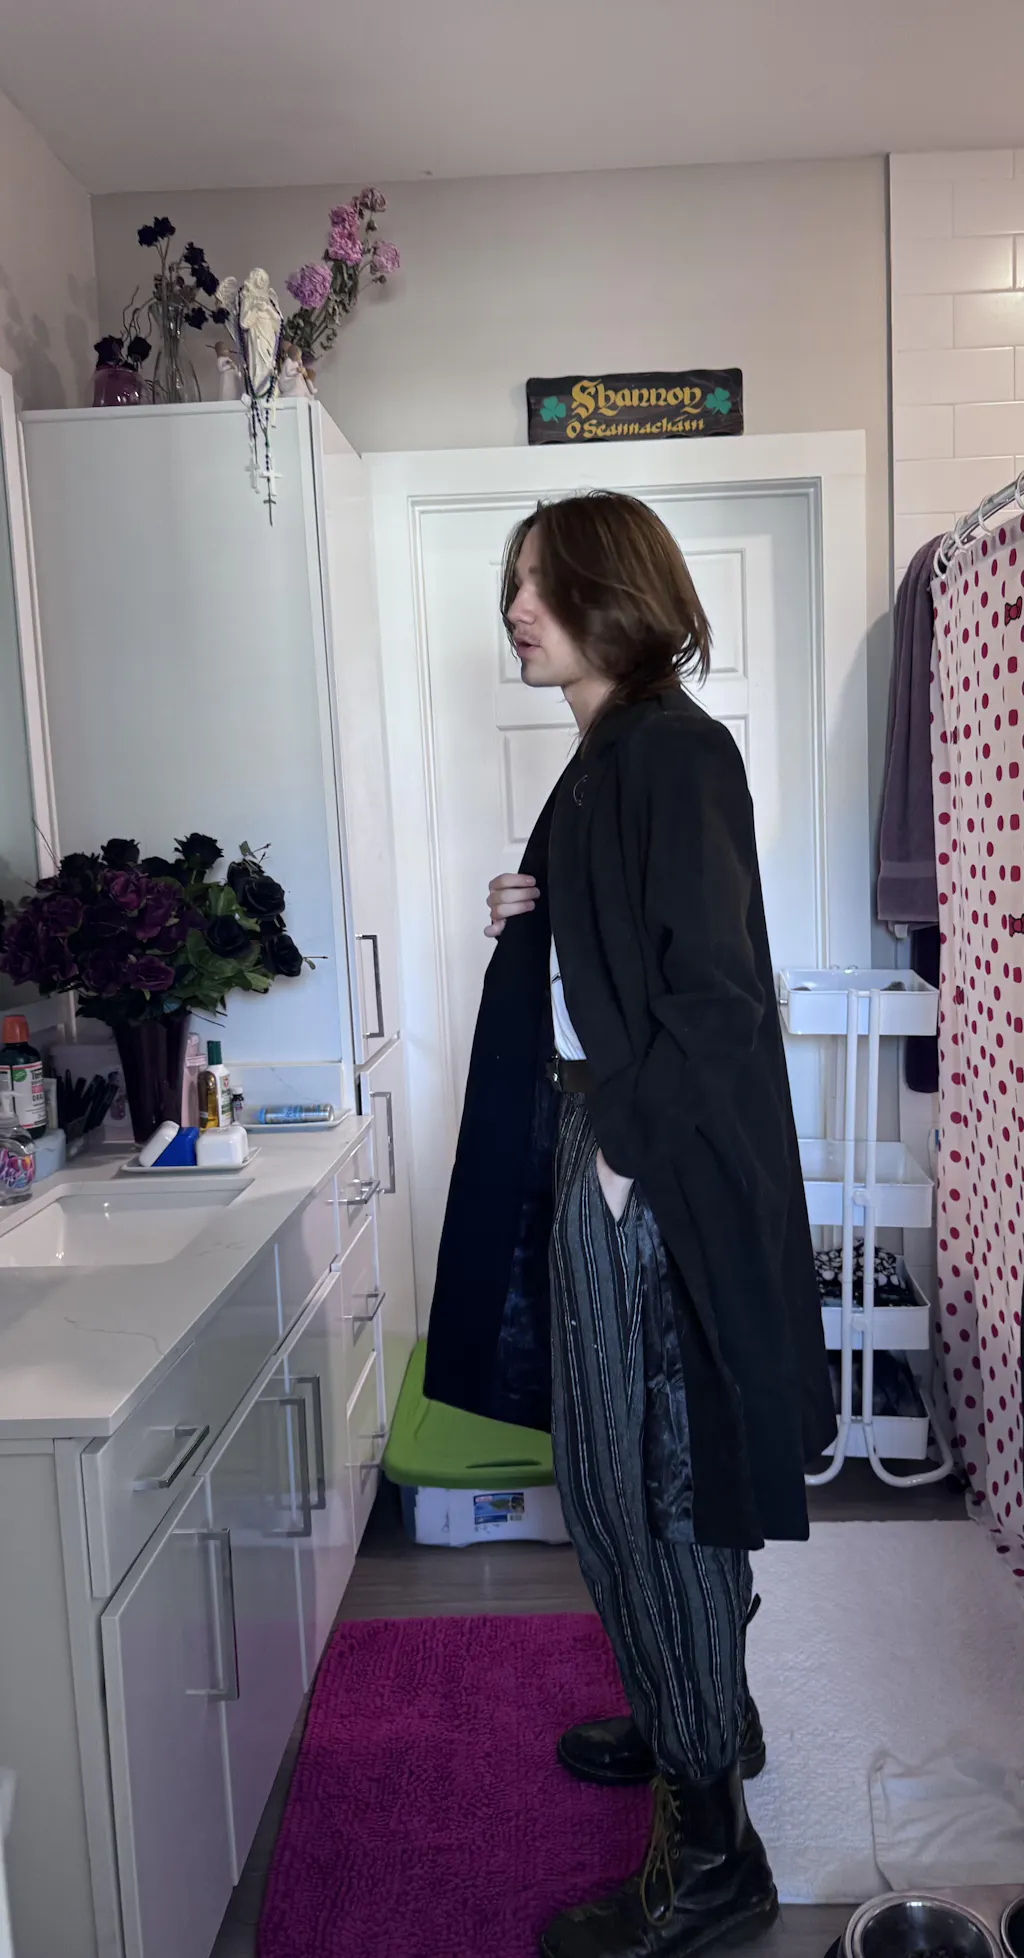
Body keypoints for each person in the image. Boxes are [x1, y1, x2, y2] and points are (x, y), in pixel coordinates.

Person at [424, 491, 835, 1958]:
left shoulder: (670, 751)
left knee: (643, 1488)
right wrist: (532, 913)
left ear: (617, 592)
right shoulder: (608, 757)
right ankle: (700, 1718)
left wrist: (620, 1165)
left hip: (640, 1168)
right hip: (610, 1145)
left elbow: (716, 1003)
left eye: (542, 583)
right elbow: (626, 951)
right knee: (637, 1474)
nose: (516, 609)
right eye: (514, 584)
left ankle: (716, 1856)